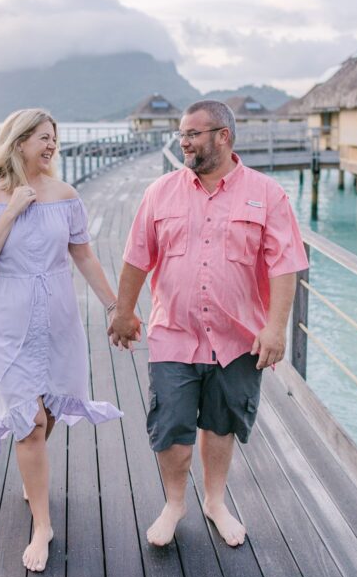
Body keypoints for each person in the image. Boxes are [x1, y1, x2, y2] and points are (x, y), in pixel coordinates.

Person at [109, 100, 308, 548]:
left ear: (224, 136)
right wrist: (123, 312)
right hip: (173, 333)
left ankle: (215, 501)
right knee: (171, 429)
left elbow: (285, 265)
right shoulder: (160, 192)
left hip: (238, 339)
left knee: (221, 426)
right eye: (182, 133)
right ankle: (174, 503)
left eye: (194, 133)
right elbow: (137, 258)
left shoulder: (267, 194)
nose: (184, 141)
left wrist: (275, 328)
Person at [0, 108, 122, 572]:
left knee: (46, 412)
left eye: (54, 138)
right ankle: (42, 525)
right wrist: (11, 210)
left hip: (57, 315)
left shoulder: (65, 195)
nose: (51, 146)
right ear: (17, 142)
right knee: (28, 421)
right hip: (10, 318)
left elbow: (85, 257)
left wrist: (116, 308)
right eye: (42, 138)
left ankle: (33, 477)